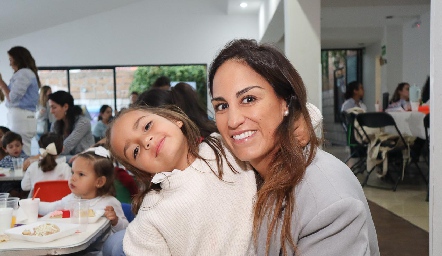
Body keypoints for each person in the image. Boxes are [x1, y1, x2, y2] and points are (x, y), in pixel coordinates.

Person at [208, 39, 379, 255]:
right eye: (221, 106)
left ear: (285, 103)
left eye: (248, 99)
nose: (233, 120)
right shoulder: (243, 169)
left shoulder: (328, 205)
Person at [106, 105, 257, 255]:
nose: (146, 140)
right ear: (141, 171)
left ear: (174, 119)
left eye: (147, 126)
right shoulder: (151, 214)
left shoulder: (223, 146)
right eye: (135, 151)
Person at [38, 148, 129, 252]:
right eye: (73, 172)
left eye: (81, 174)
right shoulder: (72, 198)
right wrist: (34, 204)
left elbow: (124, 231)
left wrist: (115, 221)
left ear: (99, 181)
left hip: (98, 252)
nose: (73, 178)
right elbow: (53, 207)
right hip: (73, 247)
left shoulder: (109, 203)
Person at [0, 46, 41, 155]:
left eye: (10, 60)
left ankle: (23, 170)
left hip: (22, 116)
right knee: (20, 147)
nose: (10, 64)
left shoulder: (24, 73)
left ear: (17, 59)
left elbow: (12, 98)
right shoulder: (26, 73)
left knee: (20, 147)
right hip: (23, 116)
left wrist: (1, 82)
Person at [21, 133, 71, 197]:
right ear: (62, 149)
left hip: (37, 205)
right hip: (59, 205)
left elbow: (24, 187)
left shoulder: (33, 166)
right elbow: (69, 187)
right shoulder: (65, 167)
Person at [48, 91, 94, 157]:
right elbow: (51, 145)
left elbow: (65, 147)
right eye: (50, 107)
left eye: (54, 107)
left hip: (85, 160)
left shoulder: (83, 122)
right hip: (68, 160)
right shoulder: (55, 124)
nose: (51, 111)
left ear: (65, 107)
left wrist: (47, 154)